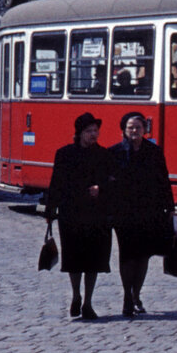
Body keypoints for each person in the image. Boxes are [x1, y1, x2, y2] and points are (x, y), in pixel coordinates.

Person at [44, 112, 113, 320]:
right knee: (74, 258)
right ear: (80, 133)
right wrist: (50, 210)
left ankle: (88, 303)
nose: (94, 135)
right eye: (89, 131)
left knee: (94, 260)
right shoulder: (64, 154)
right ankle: (75, 295)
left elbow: (112, 181)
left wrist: (101, 188)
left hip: (97, 214)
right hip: (71, 212)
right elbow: (56, 183)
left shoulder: (104, 155)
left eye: (95, 131)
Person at [108, 111, 175, 316]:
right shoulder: (115, 152)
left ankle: (136, 293)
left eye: (138, 127)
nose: (134, 131)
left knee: (143, 255)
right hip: (123, 212)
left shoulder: (154, 152)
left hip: (149, 211)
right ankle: (128, 296)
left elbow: (163, 180)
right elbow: (108, 182)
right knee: (127, 254)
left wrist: (170, 207)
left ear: (145, 129)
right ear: (124, 130)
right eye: (130, 128)